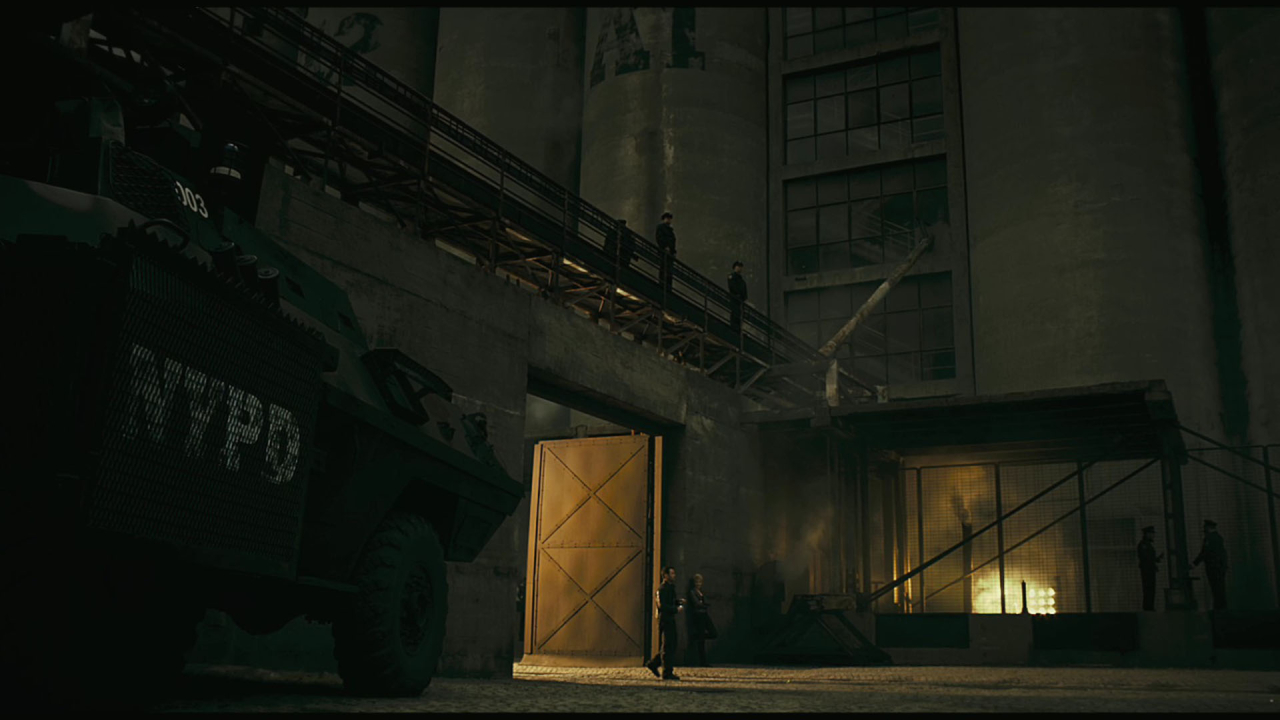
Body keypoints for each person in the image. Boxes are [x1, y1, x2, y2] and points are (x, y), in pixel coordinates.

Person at [645, 566, 684, 680]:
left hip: (669, 619)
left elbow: (668, 601)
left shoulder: (669, 588)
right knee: (668, 645)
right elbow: (662, 605)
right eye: (672, 573)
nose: (674, 575)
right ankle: (667, 672)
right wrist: (676, 609)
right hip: (665, 620)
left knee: (671, 644)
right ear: (665, 575)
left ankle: (654, 663)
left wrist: (678, 602)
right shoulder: (662, 589)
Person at [1192, 519, 1229, 611]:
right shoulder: (1219, 538)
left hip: (1213, 567)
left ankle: (1218, 609)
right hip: (1219, 567)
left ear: (1208, 528)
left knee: (1215, 588)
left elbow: (1204, 553)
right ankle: (1222, 608)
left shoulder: (1209, 539)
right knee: (1220, 588)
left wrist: (1194, 563)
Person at [685, 573, 716, 667]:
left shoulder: (700, 591)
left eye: (700, 582)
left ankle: (697, 636)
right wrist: (703, 604)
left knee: (713, 633)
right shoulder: (692, 592)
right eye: (697, 582)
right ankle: (703, 661)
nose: (698, 584)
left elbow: (704, 602)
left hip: (704, 614)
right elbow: (697, 604)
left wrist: (703, 604)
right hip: (698, 615)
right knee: (701, 641)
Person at [1137, 525, 1163, 611]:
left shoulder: (1148, 545)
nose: (1153, 535)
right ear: (1147, 534)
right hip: (1147, 570)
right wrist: (1153, 562)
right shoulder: (1143, 545)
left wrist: (1158, 559)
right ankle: (1148, 607)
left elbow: (1150, 558)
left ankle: (1150, 606)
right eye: (1151, 533)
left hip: (1150, 570)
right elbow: (1146, 558)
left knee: (1151, 589)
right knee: (1148, 589)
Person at [655, 212, 677, 294]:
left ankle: (668, 286)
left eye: (670, 218)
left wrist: (673, 251)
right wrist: (665, 247)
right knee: (664, 269)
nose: (669, 220)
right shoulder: (661, 228)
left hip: (669, 253)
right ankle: (663, 285)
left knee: (668, 271)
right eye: (667, 218)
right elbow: (659, 238)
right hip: (664, 252)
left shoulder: (670, 230)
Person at [727, 261, 748, 340]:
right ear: (734, 267)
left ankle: (738, 330)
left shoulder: (741, 280)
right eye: (738, 266)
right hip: (734, 299)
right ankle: (734, 329)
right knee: (734, 314)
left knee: (739, 315)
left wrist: (743, 297)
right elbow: (732, 287)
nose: (739, 268)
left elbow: (744, 290)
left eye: (740, 267)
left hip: (740, 300)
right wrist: (737, 294)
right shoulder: (732, 277)